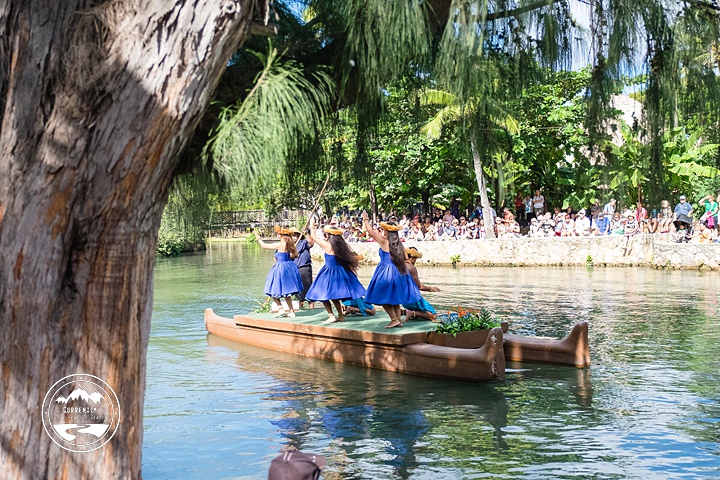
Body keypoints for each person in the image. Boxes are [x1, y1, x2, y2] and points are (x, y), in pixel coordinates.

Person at [362, 211, 421, 328]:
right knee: (394, 298)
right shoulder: (400, 245)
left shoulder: (385, 242)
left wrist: (365, 219)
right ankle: (398, 320)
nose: (383, 232)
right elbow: (405, 258)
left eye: (384, 230)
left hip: (386, 272)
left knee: (381, 296)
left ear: (387, 231)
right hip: (399, 271)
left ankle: (394, 319)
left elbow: (370, 232)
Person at [305, 223, 366, 323]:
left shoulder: (327, 245)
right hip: (340, 272)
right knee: (334, 296)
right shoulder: (341, 248)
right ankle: (340, 315)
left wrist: (311, 226)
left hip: (329, 272)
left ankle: (331, 315)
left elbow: (313, 237)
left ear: (329, 235)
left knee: (322, 294)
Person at [257, 226, 304, 318]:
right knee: (286, 292)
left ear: (281, 235)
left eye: (278, 234)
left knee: (271, 288)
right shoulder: (289, 244)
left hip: (280, 268)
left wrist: (257, 237)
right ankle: (291, 311)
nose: (277, 235)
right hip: (288, 266)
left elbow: (264, 246)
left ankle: (281, 308)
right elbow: (294, 255)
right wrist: (282, 256)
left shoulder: (281, 244)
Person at [401, 247, 440, 321]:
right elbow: (420, 287)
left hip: (403, 299)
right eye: (415, 259)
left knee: (420, 310)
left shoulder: (399, 266)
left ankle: (404, 312)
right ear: (413, 257)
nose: (415, 261)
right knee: (433, 315)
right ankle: (411, 313)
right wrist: (431, 289)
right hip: (413, 298)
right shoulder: (411, 268)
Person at [291, 227, 314, 309]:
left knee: (308, 287)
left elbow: (311, 243)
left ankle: (311, 307)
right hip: (294, 269)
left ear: (298, 236)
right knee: (298, 290)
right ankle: (300, 306)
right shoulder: (289, 246)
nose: (293, 237)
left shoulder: (303, 242)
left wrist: (306, 233)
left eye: (295, 235)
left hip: (304, 268)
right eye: (291, 236)